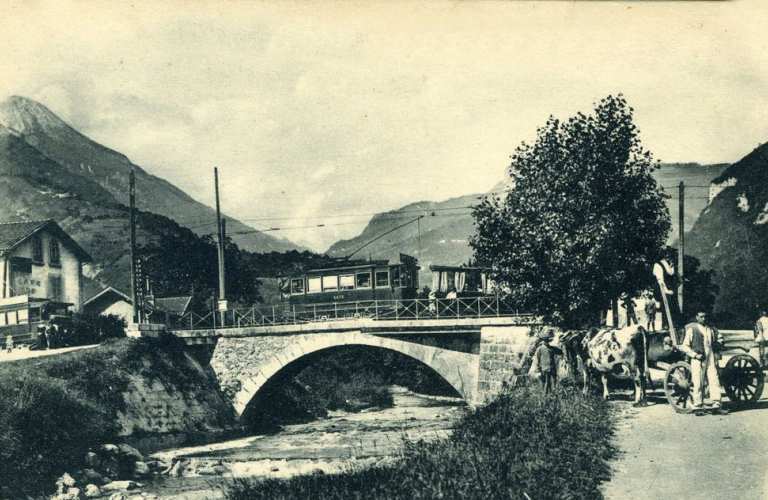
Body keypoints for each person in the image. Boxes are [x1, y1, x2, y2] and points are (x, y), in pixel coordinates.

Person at [679, 311, 728, 416]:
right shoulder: (692, 329)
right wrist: (695, 355)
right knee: (697, 382)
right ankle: (698, 406)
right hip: (698, 359)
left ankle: (716, 405)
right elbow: (684, 346)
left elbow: (720, 337)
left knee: (714, 380)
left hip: (710, 358)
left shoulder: (711, 328)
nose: (704, 319)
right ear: (697, 317)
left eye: (705, 317)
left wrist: (719, 342)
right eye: (701, 317)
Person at [529, 329, 561, 394]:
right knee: (546, 384)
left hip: (552, 368)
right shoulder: (540, 349)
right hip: (544, 369)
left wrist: (560, 344)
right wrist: (537, 371)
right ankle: (545, 398)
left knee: (554, 383)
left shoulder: (552, 348)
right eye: (545, 341)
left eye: (547, 340)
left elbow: (560, 352)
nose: (546, 342)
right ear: (543, 341)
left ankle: (552, 395)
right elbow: (536, 360)